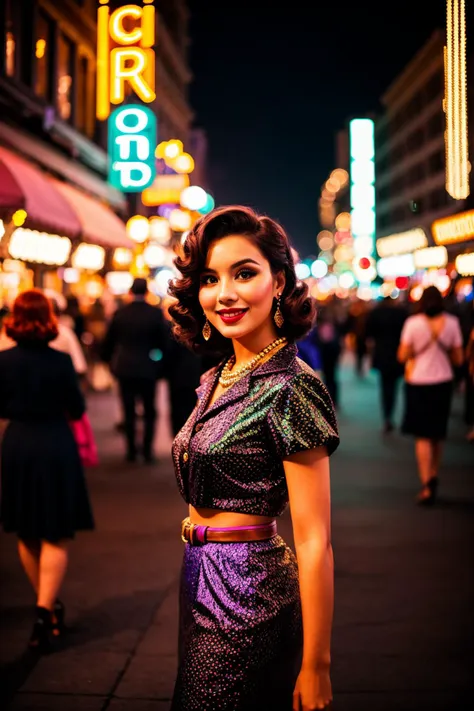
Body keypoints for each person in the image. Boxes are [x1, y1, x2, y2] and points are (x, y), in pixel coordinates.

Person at [168, 206, 339, 711]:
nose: (225, 294)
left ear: (278, 280)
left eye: (244, 273)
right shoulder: (216, 376)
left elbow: (314, 540)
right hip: (197, 570)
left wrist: (317, 664)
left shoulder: (292, 387)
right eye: (209, 278)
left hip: (250, 587)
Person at [0, 290, 94, 652]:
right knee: (55, 531)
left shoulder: (3, 362)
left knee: (26, 529)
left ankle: (46, 605)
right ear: (50, 319)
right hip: (55, 442)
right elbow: (76, 407)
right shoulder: (60, 362)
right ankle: (45, 609)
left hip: (18, 443)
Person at [397, 286, 464, 505]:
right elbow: (459, 359)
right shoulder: (452, 323)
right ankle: (434, 474)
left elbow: (402, 355)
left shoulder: (413, 324)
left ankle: (426, 482)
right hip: (443, 382)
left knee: (422, 436)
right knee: (437, 433)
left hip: (418, 382)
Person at [102, 277, 168, 462]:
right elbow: (163, 343)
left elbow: (109, 342)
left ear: (131, 292)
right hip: (148, 367)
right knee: (149, 410)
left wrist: (109, 362)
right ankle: (147, 450)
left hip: (125, 367)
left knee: (128, 409)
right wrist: (160, 365)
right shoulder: (155, 314)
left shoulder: (121, 313)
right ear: (147, 292)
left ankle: (131, 450)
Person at [365, 296, 408, 433]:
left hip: (382, 353)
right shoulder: (402, 313)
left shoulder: (376, 313)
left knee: (385, 386)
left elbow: (369, 333)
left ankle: (387, 416)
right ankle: (393, 415)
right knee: (396, 386)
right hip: (397, 354)